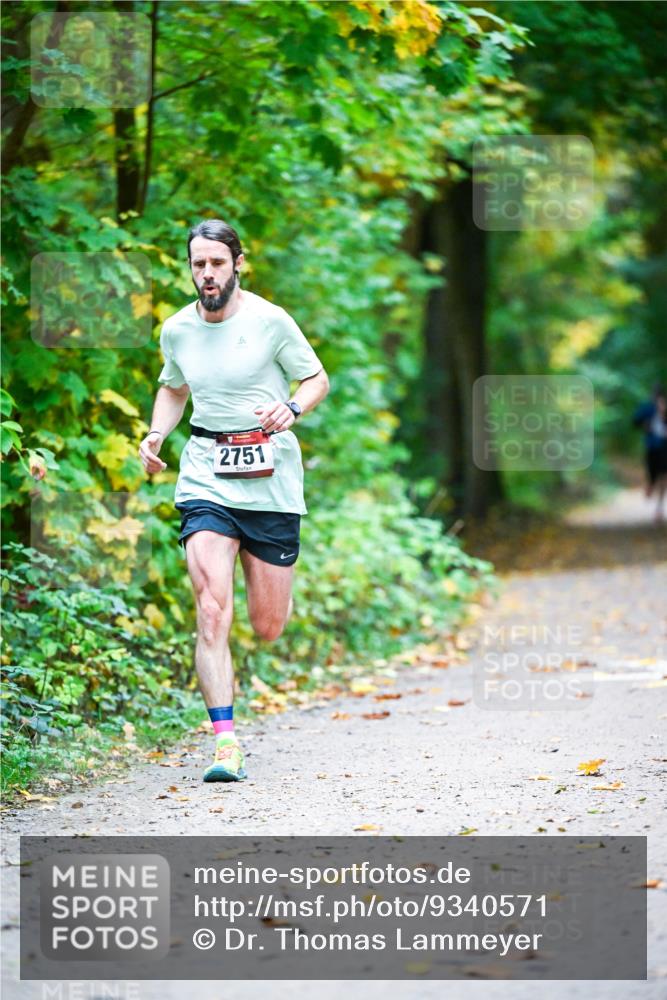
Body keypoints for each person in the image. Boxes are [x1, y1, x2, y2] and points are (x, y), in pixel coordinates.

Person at [138, 219, 329, 781]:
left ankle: (267, 578)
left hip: (269, 479)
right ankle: (225, 744)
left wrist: (290, 410)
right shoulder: (176, 329)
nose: (207, 274)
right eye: (198, 264)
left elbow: (316, 379)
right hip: (206, 476)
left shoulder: (270, 320)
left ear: (237, 263)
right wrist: (155, 435)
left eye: (217, 263)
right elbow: (173, 387)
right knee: (211, 609)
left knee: (267, 624)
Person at [633, 383, 667, 522]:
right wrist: (644, 424)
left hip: (665, 447)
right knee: (652, 473)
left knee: (664, 476)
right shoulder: (646, 408)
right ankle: (650, 485)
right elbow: (635, 421)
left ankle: (659, 508)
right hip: (652, 447)